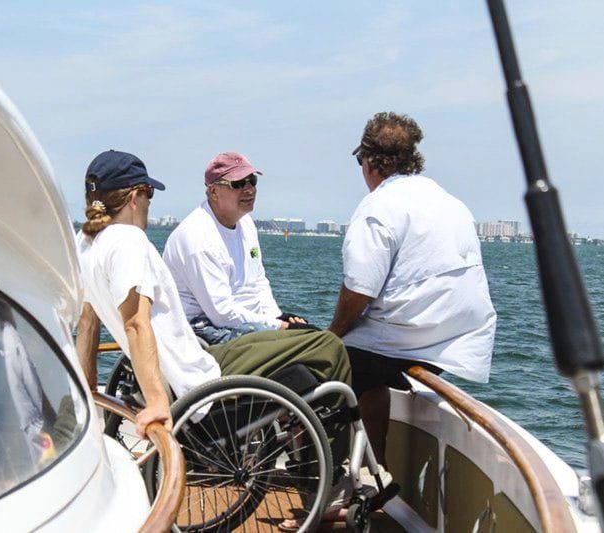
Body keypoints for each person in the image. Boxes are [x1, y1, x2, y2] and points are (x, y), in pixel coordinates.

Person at [75, 150, 354, 525]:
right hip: (201, 375)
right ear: (134, 197)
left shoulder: (87, 243)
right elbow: (136, 324)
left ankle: (307, 456)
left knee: (301, 341)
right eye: (149, 196)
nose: (149, 207)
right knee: (329, 347)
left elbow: (88, 322)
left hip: (192, 365)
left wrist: (87, 384)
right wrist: (158, 403)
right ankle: (330, 481)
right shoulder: (128, 241)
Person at [328, 112, 497, 466]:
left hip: (404, 338)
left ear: (370, 160)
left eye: (360, 159)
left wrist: (332, 336)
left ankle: (333, 481)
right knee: (369, 379)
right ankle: (375, 474)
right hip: (452, 342)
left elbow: (359, 289)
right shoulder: (448, 201)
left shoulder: (378, 206)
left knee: (322, 368)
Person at [163, 152, 314, 345]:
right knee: (307, 351)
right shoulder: (198, 238)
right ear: (213, 191)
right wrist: (279, 327)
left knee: (315, 339)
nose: (249, 189)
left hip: (242, 324)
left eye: (252, 181)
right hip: (202, 330)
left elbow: (258, 283)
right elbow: (222, 313)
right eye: (238, 183)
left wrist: (278, 317)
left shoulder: (246, 224)